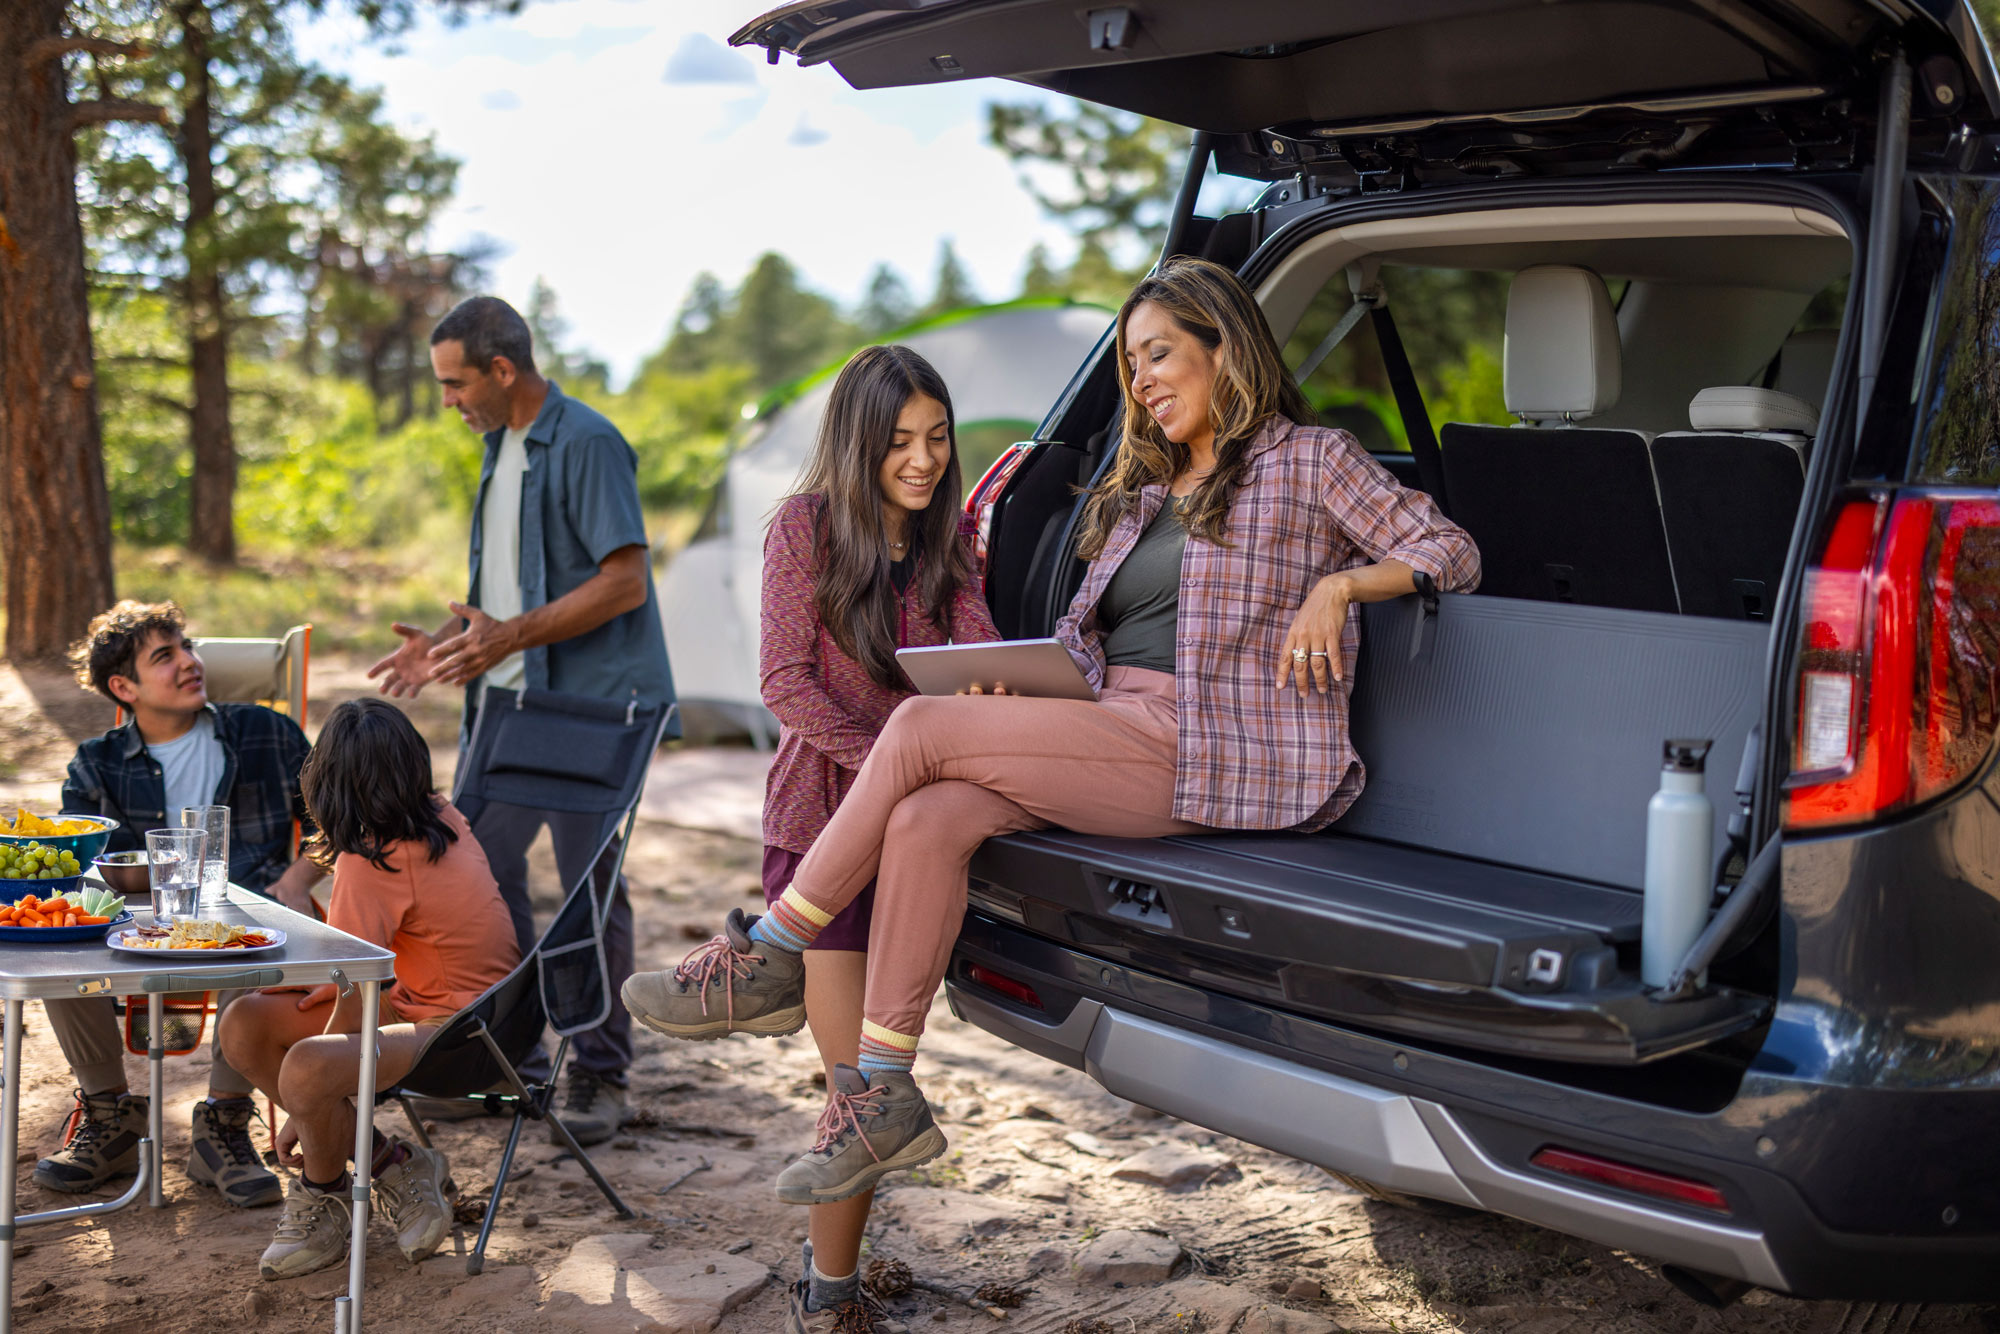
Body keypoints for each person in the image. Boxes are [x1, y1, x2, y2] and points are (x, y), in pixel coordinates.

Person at [624, 256, 1482, 1202]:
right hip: (1115, 727)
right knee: (931, 815)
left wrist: (1341, 585)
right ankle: (886, 1088)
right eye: (1130, 366)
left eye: (1159, 355)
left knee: (916, 728)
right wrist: (1015, 690)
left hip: (1211, 748)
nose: (1143, 381)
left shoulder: (1311, 461)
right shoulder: (1144, 491)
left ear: (1223, 347)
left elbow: (1449, 548)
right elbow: (1087, 646)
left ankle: (774, 952)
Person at [631, 346, 997, 1329]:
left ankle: (764, 970)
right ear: (856, 443)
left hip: (917, 842)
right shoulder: (803, 527)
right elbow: (783, 681)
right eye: (898, 443)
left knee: (884, 1084)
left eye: (936, 438)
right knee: (853, 1090)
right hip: (817, 829)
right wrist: (897, 755)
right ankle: (827, 1291)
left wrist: (968, 709)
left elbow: (976, 666)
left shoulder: (948, 545)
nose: (921, 461)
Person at [366, 295, 676, 1145]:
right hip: (507, 701)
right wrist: (444, 644)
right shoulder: (499, 447)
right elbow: (508, 596)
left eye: (455, 383)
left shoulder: (588, 442)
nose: (448, 401)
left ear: (503, 371)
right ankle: (508, 1068)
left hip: (590, 710)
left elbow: (624, 583)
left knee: (586, 893)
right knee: (476, 880)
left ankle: (600, 1074)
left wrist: (510, 635)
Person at [219, 698, 520, 1280]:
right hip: (491, 1016)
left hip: (456, 1038)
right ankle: (393, 1163)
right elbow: (367, 979)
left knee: (306, 1069)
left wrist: (301, 1108)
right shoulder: (439, 815)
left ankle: (323, 1193)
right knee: (244, 1022)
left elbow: (356, 999)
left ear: (326, 781)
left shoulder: (369, 861)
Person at [45, 600, 324, 1207]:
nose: (190, 664)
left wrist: (300, 877)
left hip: (252, 909)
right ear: (125, 686)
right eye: (164, 656)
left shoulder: (265, 733)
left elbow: (333, 824)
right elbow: (88, 867)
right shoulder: (97, 763)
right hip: (140, 923)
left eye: (188, 648)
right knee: (55, 935)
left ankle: (223, 1123)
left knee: (248, 929)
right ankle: (110, 1115)